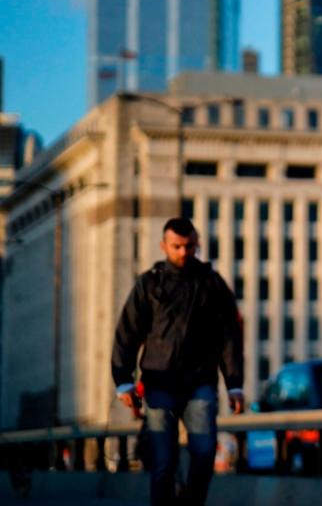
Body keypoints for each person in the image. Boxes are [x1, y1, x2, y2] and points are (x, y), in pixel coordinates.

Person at [112, 217, 245, 506]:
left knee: (205, 452)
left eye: (189, 246)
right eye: (176, 247)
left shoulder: (211, 282)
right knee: (164, 462)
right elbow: (128, 332)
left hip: (200, 383)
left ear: (197, 244)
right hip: (159, 383)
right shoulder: (150, 283)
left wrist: (235, 384)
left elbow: (229, 336)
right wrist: (123, 380)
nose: (183, 252)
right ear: (164, 246)